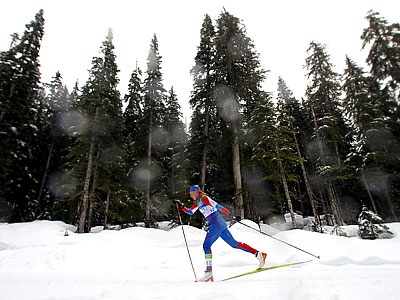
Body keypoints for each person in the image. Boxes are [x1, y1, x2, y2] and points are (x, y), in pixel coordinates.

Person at [176, 185, 267, 282]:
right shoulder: (198, 201)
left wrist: (231, 215)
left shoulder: (204, 198)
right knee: (234, 244)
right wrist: (182, 207)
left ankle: (208, 272)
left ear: (195, 192)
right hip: (220, 224)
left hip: (217, 223)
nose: (190, 196)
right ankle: (259, 254)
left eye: (191, 194)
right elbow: (190, 212)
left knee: (206, 246)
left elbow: (218, 206)